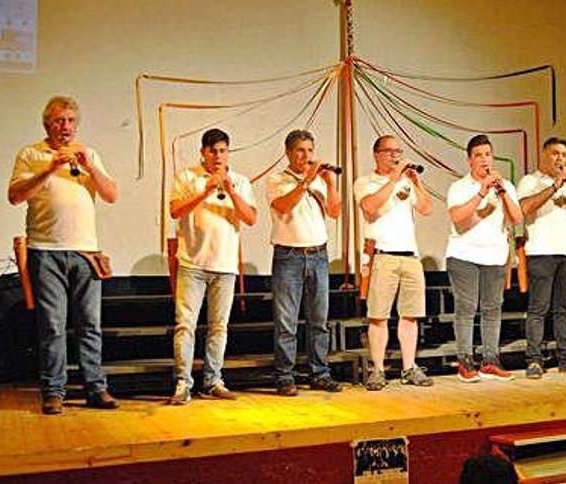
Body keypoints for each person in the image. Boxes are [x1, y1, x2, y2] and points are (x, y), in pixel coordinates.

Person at [8, 96, 119, 415]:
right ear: (47, 124)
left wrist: (89, 166)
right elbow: (15, 196)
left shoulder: (89, 154)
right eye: (58, 120)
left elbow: (111, 194)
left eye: (70, 120)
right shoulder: (31, 154)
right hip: (46, 251)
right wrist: (49, 168)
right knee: (53, 326)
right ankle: (54, 392)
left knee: (89, 324)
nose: (65, 126)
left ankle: (96, 389)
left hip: (86, 252)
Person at [167, 129, 257, 405]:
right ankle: (183, 383)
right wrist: (204, 191)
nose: (218, 156)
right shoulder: (186, 177)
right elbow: (175, 211)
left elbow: (251, 218)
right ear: (203, 152)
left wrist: (229, 189)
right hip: (192, 263)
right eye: (213, 151)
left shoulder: (239, 182)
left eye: (223, 151)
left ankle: (213, 380)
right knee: (186, 325)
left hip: (225, 264)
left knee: (219, 326)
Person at [354, 135, 434, 391]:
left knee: (410, 315)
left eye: (398, 151)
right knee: (378, 315)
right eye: (389, 152)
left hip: (410, 255)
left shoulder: (407, 182)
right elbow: (369, 207)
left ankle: (409, 367)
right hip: (382, 254)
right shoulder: (366, 182)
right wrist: (393, 178)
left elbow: (427, 209)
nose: (395, 156)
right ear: (376, 154)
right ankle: (377, 369)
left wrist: (416, 183)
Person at [267, 130, 342, 396]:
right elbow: (284, 206)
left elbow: (335, 212)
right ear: (288, 152)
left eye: (310, 150)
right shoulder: (277, 179)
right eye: (300, 150)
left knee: (319, 320)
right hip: (289, 256)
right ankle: (284, 376)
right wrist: (306, 181)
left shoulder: (321, 181)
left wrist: (331, 184)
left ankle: (320, 374)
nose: (307, 156)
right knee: (286, 322)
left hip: (319, 255)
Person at [446, 134, 523, 382]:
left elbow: (517, 218)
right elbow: (458, 218)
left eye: (488, 154)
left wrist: (502, 192)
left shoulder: (506, 186)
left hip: (495, 255)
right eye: (478, 155)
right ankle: (465, 361)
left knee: (492, 309)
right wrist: (481, 192)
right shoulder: (459, 187)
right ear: (469, 160)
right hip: (464, 255)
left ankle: (490, 360)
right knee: (467, 308)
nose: (484, 159)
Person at [517, 137, 566, 378]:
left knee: (564, 309)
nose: (560, 158)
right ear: (543, 155)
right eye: (555, 153)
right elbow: (524, 208)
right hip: (541, 251)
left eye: (563, 154)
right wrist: (554, 186)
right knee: (538, 308)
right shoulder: (530, 181)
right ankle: (534, 360)